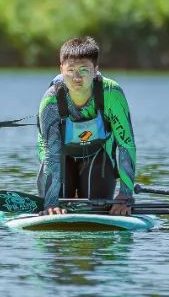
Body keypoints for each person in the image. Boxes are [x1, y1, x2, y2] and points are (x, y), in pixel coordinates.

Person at [36, 37, 136, 216]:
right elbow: (51, 154)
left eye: (84, 70)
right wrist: (50, 202)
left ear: (96, 70)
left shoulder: (112, 94)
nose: (77, 77)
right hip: (59, 156)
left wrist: (125, 196)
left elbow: (126, 145)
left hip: (98, 156)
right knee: (56, 201)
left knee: (94, 209)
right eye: (71, 70)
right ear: (61, 69)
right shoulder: (50, 101)